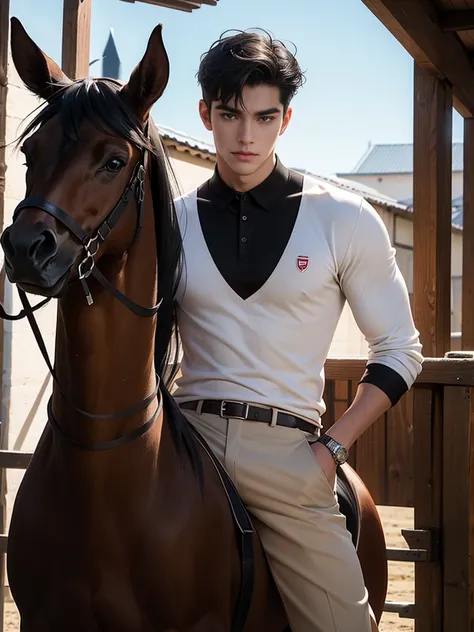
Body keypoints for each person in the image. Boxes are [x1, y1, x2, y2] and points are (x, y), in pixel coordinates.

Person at [173, 29, 423, 632]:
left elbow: (401, 349)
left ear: (286, 119)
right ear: (205, 112)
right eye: (230, 115)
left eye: (264, 116)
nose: (245, 135)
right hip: (184, 440)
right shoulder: (170, 221)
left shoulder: (343, 219)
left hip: (288, 452)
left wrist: (331, 450)